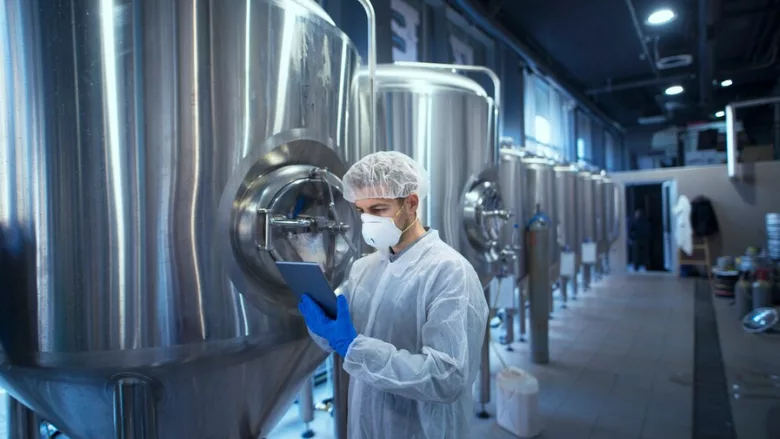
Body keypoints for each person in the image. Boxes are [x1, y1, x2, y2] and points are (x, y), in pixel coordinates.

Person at [297, 151, 489, 439]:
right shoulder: (364, 269)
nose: (368, 221)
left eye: (378, 209)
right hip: (366, 424)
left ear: (411, 203)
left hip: (422, 429)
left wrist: (354, 348)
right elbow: (340, 339)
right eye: (362, 211)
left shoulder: (449, 272)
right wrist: (324, 326)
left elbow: (447, 377)